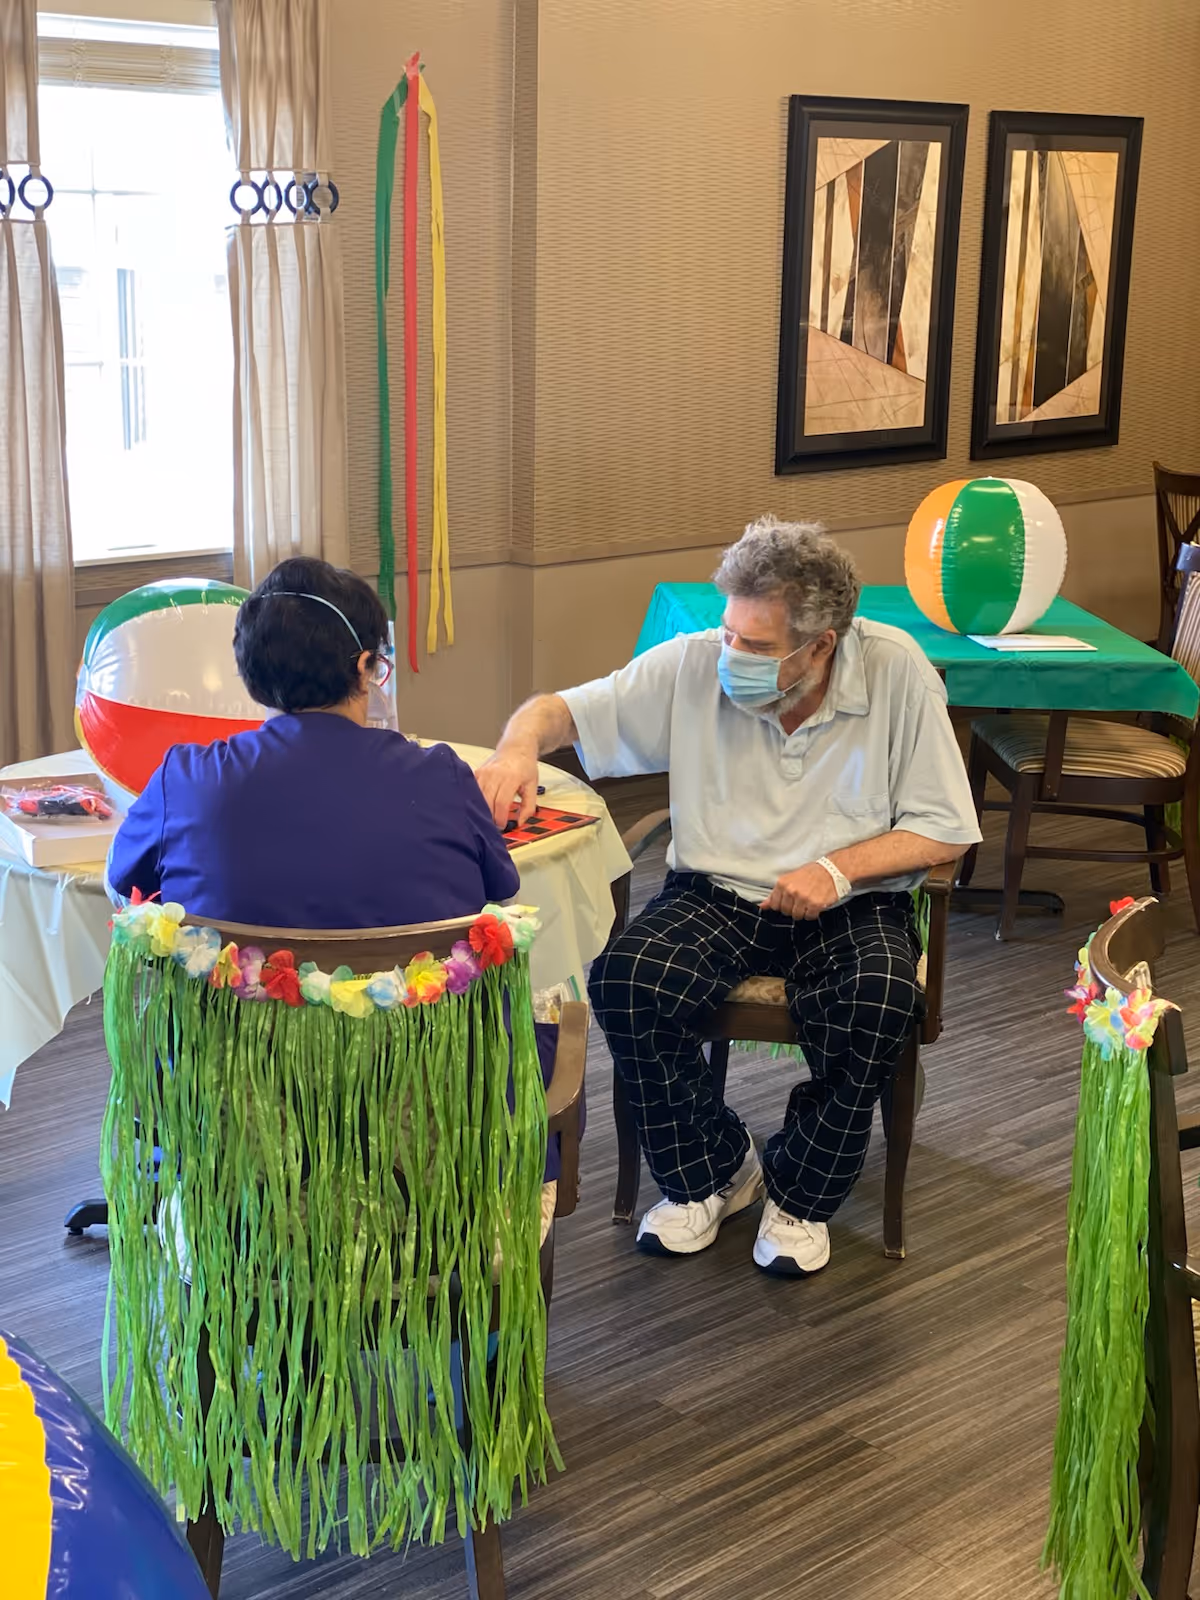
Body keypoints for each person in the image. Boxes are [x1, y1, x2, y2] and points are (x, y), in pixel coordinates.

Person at [476, 516, 982, 1277]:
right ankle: (714, 1171)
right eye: (728, 632)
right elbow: (563, 711)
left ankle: (800, 1194)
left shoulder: (896, 671)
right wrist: (517, 745)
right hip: (716, 893)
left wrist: (839, 870)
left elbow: (946, 830)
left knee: (877, 999)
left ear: (822, 644)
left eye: (755, 645)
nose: (731, 656)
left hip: (853, 900)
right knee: (625, 981)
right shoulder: (694, 664)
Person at [107, 556, 568, 1204]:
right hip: (431, 1118)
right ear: (363, 667)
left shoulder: (187, 777)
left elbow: (127, 890)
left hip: (241, 1119)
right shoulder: (441, 776)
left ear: (252, 669)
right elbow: (501, 890)